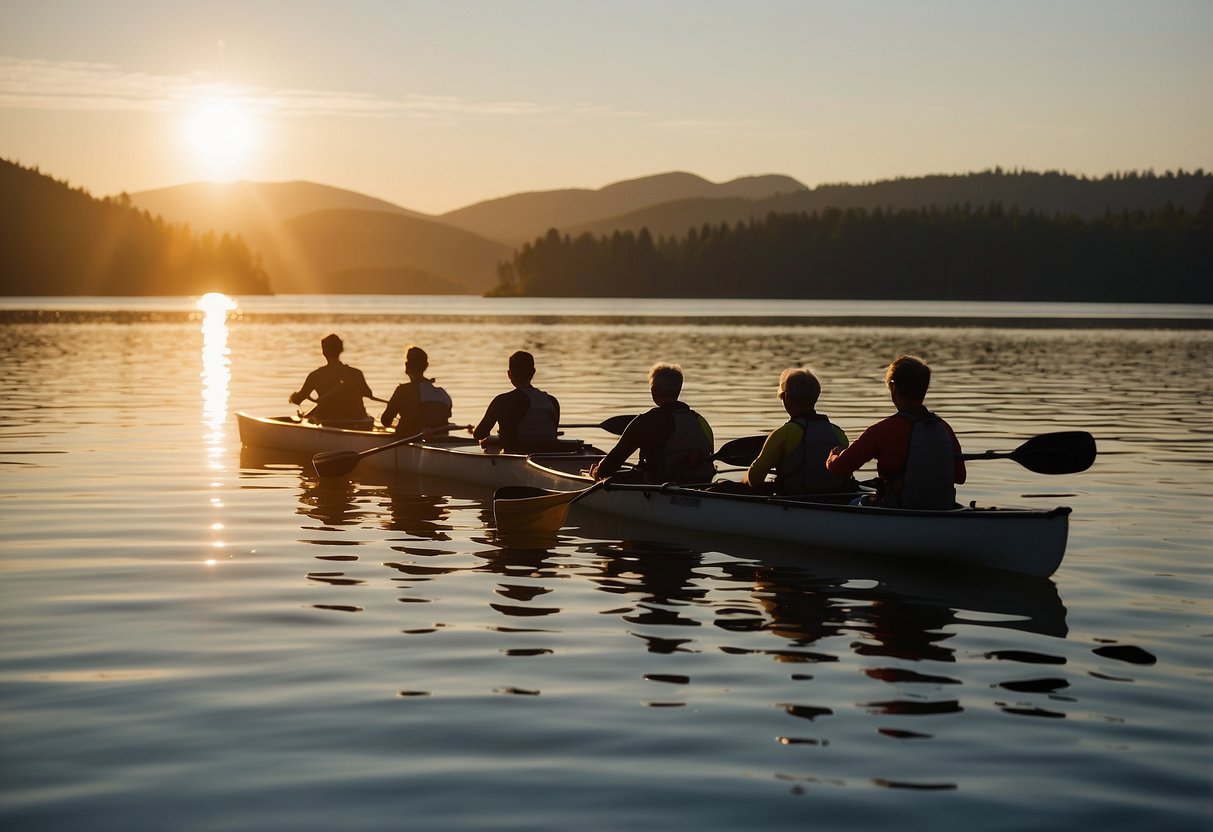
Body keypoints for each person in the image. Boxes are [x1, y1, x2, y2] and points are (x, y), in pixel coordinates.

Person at [825, 354, 965, 509]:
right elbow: (960, 477)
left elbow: (840, 468)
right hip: (943, 509)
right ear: (924, 389)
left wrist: (834, 454)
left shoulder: (883, 430)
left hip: (899, 511)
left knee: (853, 503)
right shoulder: (944, 428)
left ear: (894, 387)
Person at [589, 363, 714, 484]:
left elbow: (613, 462)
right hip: (700, 484)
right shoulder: (700, 421)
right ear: (679, 390)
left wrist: (598, 471)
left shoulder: (646, 421)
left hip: (660, 488)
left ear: (654, 390)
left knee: (609, 477)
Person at [743, 367, 856, 495]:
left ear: (787, 399)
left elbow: (754, 480)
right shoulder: (838, 433)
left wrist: (743, 481)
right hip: (836, 503)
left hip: (794, 503)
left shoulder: (782, 434)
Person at [471, 350, 560, 452]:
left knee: (491, 446)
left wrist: (496, 439)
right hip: (550, 456)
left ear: (510, 374)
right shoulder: (552, 401)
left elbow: (479, 434)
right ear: (533, 372)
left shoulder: (502, 401)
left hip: (516, 458)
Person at [288, 333, 374, 427]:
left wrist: (293, 397)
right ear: (341, 350)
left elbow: (298, 399)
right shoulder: (356, 373)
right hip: (359, 422)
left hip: (330, 423)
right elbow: (368, 394)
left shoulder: (315, 376)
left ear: (324, 352)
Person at [380, 345, 453, 436]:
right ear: (426, 366)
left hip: (411, 441)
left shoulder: (402, 391)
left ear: (406, 365)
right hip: (441, 441)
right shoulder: (442, 393)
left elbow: (385, 421)